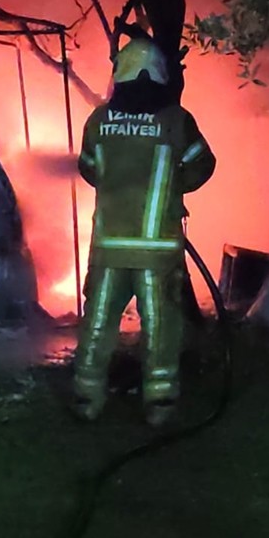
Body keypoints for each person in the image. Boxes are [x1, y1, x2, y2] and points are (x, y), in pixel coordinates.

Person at [72, 35, 216, 427]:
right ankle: (160, 403)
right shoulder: (175, 121)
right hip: (157, 252)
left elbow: (88, 169)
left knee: (99, 323)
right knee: (161, 326)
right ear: (160, 75)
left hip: (109, 249)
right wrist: (173, 184)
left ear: (119, 74)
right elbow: (202, 165)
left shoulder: (99, 121)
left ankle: (87, 397)